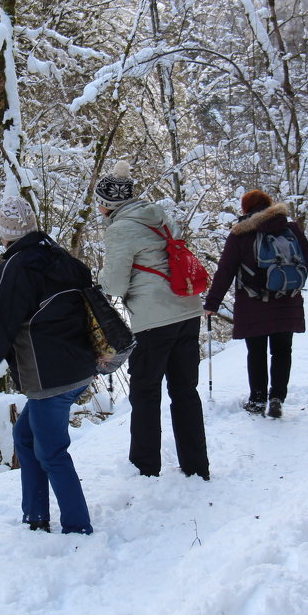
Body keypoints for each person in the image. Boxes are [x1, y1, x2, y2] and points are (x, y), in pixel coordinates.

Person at [0, 196, 95, 535]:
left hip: (50, 379)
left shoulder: (15, 269)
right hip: (81, 368)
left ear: (4, 233)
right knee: (25, 437)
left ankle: (77, 529)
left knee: (52, 452)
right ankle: (36, 516)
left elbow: (0, 328)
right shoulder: (58, 256)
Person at [94, 161, 209, 480]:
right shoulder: (160, 216)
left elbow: (115, 285)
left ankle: (145, 469)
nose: (99, 208)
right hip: (187, 309)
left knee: (145, 392)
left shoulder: (120, 229)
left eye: (100, 202)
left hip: (154, 318)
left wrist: (98, 277)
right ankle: (197, 466)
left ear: (109, 204)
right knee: (185, 389)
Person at [202, 190, 308, 418]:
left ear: (246, 209)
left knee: (256, 352)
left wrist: (212, 303)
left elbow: (226, 271)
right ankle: (277, 398)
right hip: (287, 300)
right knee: (283, 351)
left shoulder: (240, 234)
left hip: (253, 302)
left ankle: (257, 400)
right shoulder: (290, 228)